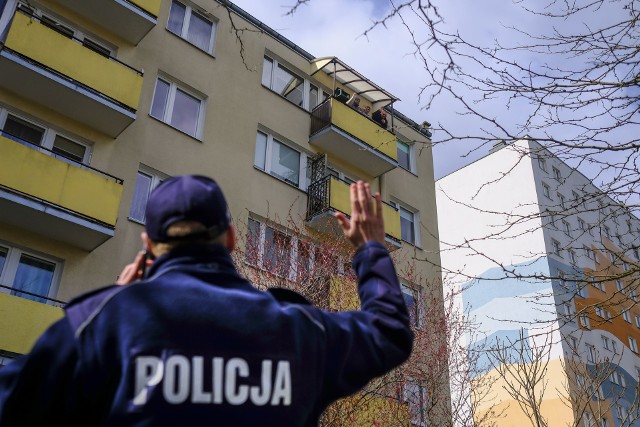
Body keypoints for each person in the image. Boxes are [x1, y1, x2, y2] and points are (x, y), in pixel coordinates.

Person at [0, 175, 413, 426]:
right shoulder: (298, 329)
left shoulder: (101, 325)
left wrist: (115, 304)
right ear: (231, 239)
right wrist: (370, 249)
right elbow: (388, 333)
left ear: (148, 244)